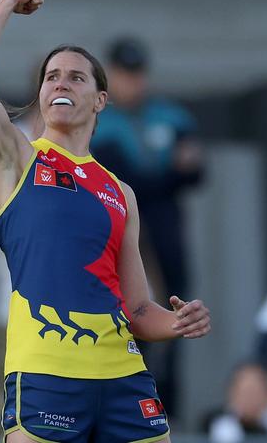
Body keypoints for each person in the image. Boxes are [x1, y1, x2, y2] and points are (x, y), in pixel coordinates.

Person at [0, 0, 211, 443]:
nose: (61, 83)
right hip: (46, 376)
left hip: (123, 376)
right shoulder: (17, 157)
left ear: (100, 100)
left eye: (76, 77)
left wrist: (178, 322)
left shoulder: (120, 192)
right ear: (41, 96)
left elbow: (136, 309)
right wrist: (7, 3)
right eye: (51, 76)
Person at [90, 36, 205, 416]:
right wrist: (171, 169)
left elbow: (197, 172)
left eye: (137, 74)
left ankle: (169, 405)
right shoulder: (101, 123)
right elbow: (124, 181)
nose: (133, 83)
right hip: (125, 235)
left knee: (177, 309)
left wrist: (160, 177)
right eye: (125, 74)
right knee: (132, 313)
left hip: (166, 231)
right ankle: (133, 403)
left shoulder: (170, 116)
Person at [205, 362, 267, 442]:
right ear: (231, 392)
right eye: (244, 391)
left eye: (254, 392)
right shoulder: (211, 423)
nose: (249, 398)